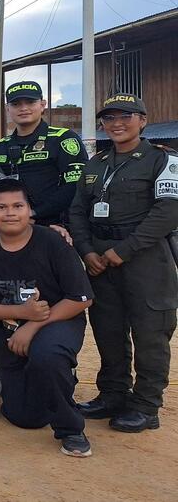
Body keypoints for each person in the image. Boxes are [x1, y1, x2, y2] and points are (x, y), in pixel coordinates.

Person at [69, 94, 178, 433]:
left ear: (143, 120)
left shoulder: (163, 160)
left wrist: (124, 250)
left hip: (146, 258)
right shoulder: (95, 164)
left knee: (150, 334)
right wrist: (86, 251)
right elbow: (77, 211)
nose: (117, 123)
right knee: (108, 330)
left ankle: (146, 406)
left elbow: (168, 211)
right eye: (110, 117)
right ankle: (113, 395)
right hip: (99, 258)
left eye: (126, 116)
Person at [0, 178, 94, 458]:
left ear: (29, 210)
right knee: (26, 418)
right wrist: (20, 315)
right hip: (12, 326)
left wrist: (33, 325)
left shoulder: (53, 242)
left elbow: (81, 298)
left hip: (57, 321)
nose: (10, 213)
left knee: (47, 356)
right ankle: (55, 380)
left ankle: (71, 429)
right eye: (1, 207)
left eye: (17, 206)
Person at [0, 81, 87, 226]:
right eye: (16, 104)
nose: (24, 108)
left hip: (55, 225)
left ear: (42, 105)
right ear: (7, 109)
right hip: (12, 225)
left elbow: (74, 186)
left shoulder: (63, 138)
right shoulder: (1, 146)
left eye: (30, 102)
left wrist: (34, 214)